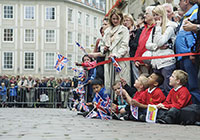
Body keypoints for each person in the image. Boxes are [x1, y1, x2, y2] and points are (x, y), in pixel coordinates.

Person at [145, 5, 177, 96]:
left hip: (167, 62)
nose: (155, 17)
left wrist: (158, 27)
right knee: (158, 89)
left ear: (162, 14)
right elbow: (147, 45)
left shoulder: (170, 27)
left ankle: (169, 107)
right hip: (156, 62)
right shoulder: (155, 28)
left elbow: (161, 41)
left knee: (168, 88)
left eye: (157, 15)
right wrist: (156, 47)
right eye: (154, 15)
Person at [99, 8, 131, 94]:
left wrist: (116, 55)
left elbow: (124, 45)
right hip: (108, 60)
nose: (115, 20)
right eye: (113, 19)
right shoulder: (107, 31)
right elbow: (101, 44)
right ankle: (110, 102)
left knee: (120, 82)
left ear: (121, 18)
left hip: (120, 60)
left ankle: (121, 102)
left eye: (117, 18)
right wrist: (104, 49)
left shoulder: (124, 30)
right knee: (109, 82)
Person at [175, 0, 199, 95]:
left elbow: (195, 35)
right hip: (182, 55)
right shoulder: (186, 15)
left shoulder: (195, 12)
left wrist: (193, 51)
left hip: (189, 54)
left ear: (186, 1)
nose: (178, 4)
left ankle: (195, 106)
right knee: (186, 85)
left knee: (193, 84)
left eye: (180, 1)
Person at [134, 6, 156, 75]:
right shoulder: (144, 29)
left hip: (149, 63)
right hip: (140, 63)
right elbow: (139, 46)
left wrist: (149, 61)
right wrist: (136, 59)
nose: (144, 15)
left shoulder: (155, 28)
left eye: (147, 14)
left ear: (153, 15)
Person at [123, 13, 141, 87]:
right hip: (125, 57)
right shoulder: (123, 32)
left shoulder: (137, 31)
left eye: (127, 20)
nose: (125, 22)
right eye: (124, 21)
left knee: (136, 76)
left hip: (134, 56)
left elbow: (136, 45)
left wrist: (129, 40)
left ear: (132, 21)